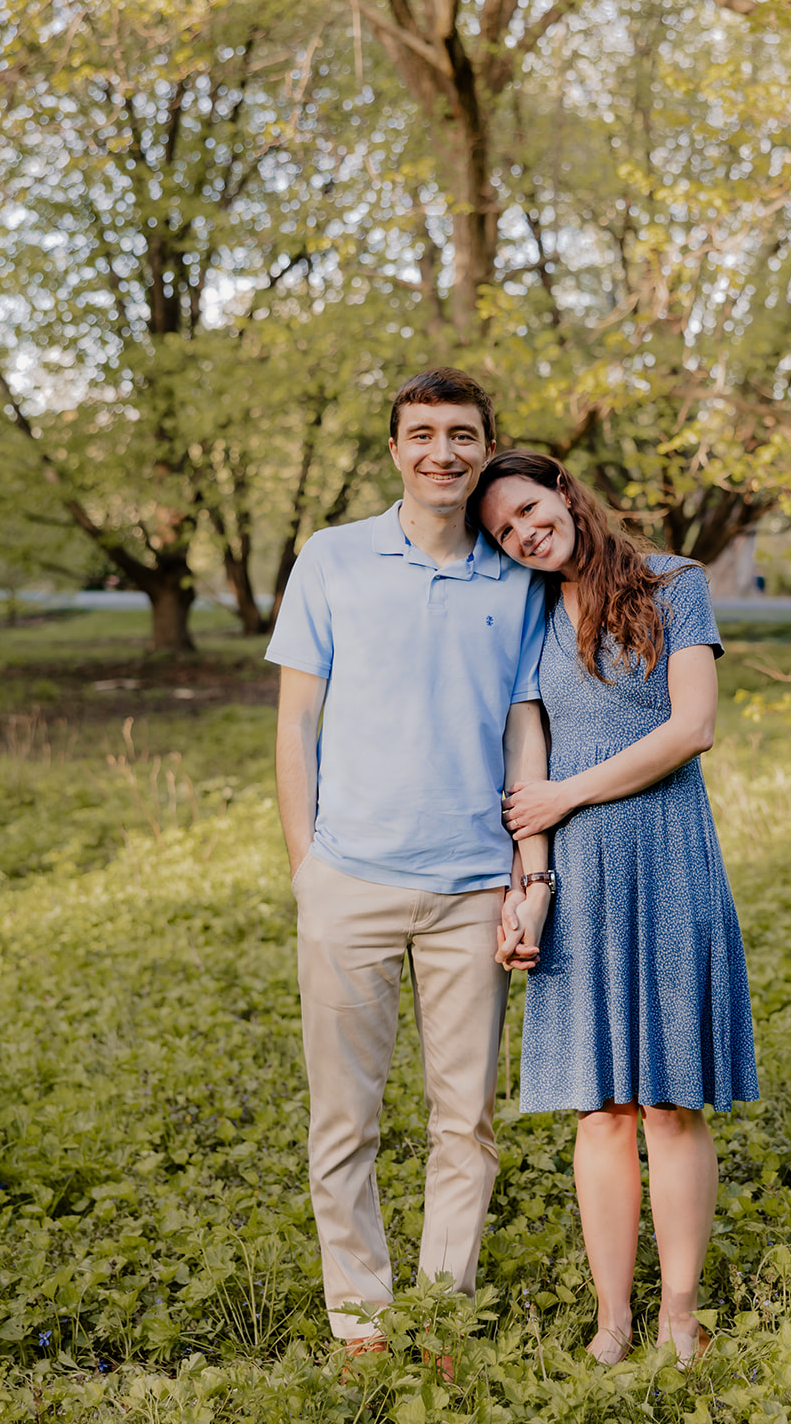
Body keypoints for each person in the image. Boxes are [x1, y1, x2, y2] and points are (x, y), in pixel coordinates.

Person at [265, 370, 551, 1353]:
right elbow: (294, 720)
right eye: (422, 433)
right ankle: (361, 1325)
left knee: (463, 1125)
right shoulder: (332, 559)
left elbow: (524, 726)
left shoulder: (515, 576)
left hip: (473, 889)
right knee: (344, 1123)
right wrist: (307, 865)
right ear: (395, 450)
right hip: (350, 883)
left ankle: (438, 1320)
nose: (442, 450)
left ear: (483, 449)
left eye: (461, 434)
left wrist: (527, 871)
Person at [474, 452, 758, 1367]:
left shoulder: (674, 582)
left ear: (562, 489)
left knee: (669, 1103)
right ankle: (612, 1318)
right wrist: (532, 887)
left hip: (669, 856)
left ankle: (678, 1312)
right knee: (599, 1109)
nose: (523, 533)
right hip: (579, 876)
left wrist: (567, 796)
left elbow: (691, 727)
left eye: (526, 508)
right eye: (502, 531)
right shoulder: (527, 617)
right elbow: (529, 764)